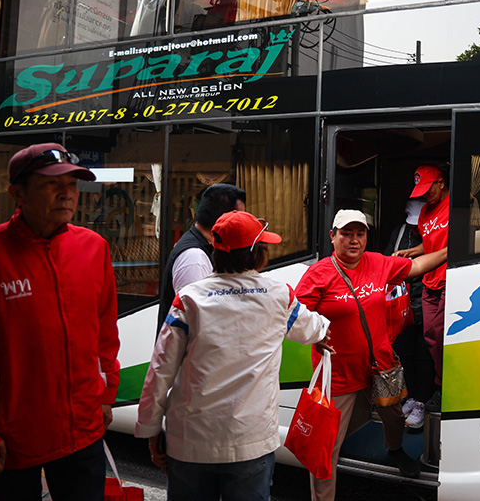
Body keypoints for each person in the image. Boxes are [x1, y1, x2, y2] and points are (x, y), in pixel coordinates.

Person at [0, 142, 120, 501]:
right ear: (17, 193)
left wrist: (105, 395)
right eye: (52, 184)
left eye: (72, 185)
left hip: (83, 433)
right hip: (10, 441)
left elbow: (104, 332)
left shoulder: (93, 247)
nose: (67, 194)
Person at [136, 210, 333, 501]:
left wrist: (150, 429)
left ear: (215, 252)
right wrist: (322, 334)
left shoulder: (189, 298)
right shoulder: (279, 295)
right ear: (256, 254)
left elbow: (160, 370)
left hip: (190, 442)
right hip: (250, 444)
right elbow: (313, 328)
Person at [295, 209, 447, 501]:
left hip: (382, 365)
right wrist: (315, 335)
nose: (354, 240)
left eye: (360, 233)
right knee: (326, 450)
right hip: (338, 375)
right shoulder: (319, 273)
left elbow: (416, 267)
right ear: (333, 237)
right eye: (346, 233)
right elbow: (297, 314)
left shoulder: (378, 262)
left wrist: (451, 250)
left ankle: (395, 450)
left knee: (393, 416)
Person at [394, 164, 449, 413]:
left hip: (448, 280)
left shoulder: (454, 207)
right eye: (422, 191)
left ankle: (442, 387)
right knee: (430, 337)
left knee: (441, 337)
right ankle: (438, 385)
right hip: (429, 281)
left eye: (430, 189)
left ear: (441, 183)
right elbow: (429, 245)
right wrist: (410, 253)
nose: (426, 195)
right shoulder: (425, 212)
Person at [157, 183, 246, 333]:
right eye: (238, 217)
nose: (241, 224)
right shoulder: (194, 258)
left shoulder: (204, 246)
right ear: (222, 218)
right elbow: (197, 321)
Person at [383, 200, 432, 429]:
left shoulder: (435, 234)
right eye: (411, 224)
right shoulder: (399, 232)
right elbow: (386, 262)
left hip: (425, 300)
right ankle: (411, 396)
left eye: (417, 225)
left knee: (425, 353)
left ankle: (422, 401)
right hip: (400, 303)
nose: (414, 229)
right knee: (404, 353)